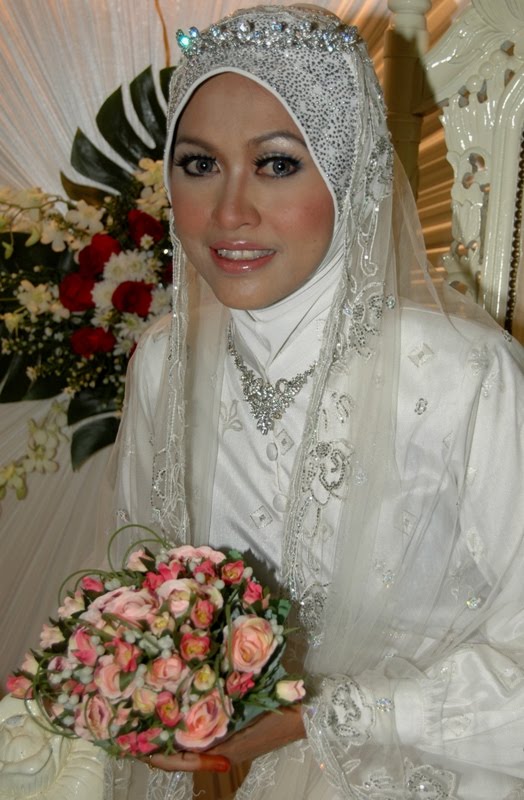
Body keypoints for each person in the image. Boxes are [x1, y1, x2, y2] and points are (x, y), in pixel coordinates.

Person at [106, 4, 524, 799]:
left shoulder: (463, 378)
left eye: (276, 164)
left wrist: (323, 717)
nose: (230, 212)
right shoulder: (165, 364)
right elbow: (143, 594)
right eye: (199, 164)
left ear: (347, 172)